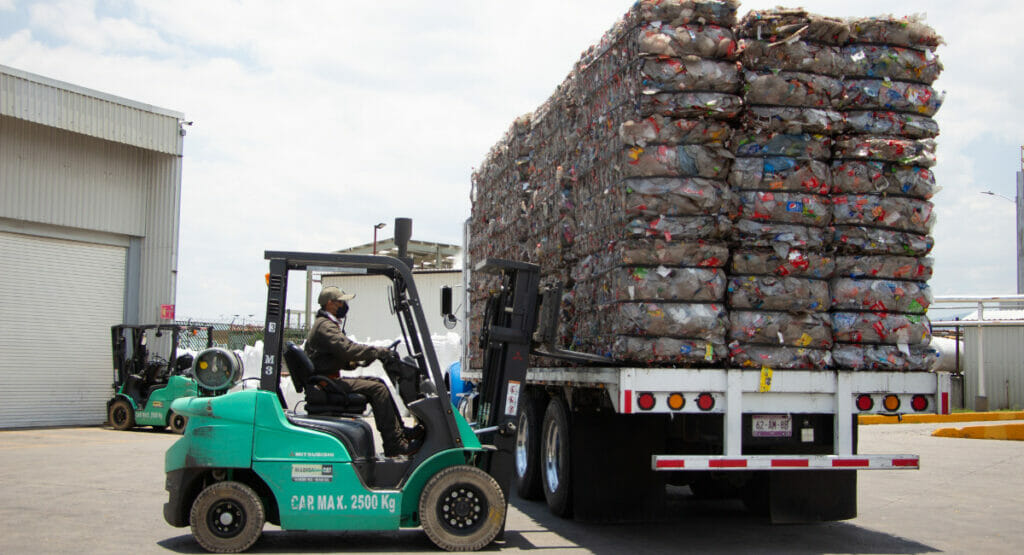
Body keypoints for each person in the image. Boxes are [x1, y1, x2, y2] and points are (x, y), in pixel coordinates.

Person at [304, 286, 420, 457]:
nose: (344, 305)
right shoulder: (325, 327)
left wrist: (357, 361)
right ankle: (394, 444)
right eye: (341, 302)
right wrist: (377, 351)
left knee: (378, 383)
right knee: (378, 389)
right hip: (326, 383)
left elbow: (336, 355)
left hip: (327, 379)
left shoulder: (325, 324)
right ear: (330, 303)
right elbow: (347, 348)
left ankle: (400, 432)